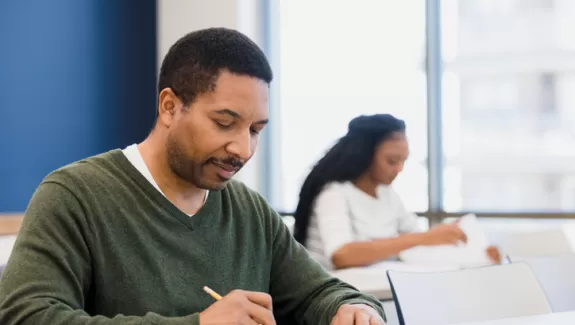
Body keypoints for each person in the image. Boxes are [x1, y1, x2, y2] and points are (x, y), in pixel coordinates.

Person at [0, 28, 386, 325]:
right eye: (224, 123)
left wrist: (352, 308)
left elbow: (320, 292)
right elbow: (27, 316)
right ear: (169, 106)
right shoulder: (75, 196)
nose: (243, 149)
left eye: (255, 130)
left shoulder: (248, 211)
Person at [293, 114, 501, 270]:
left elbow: (418, 241)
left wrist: (472, 252)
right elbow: (342, 255)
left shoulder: (387, 195)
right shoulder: (334, 194)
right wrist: (423, 238)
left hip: (377, 291)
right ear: (365, 155)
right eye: (392, 161)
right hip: (338, 299)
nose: (399, 169)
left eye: (403, 161)